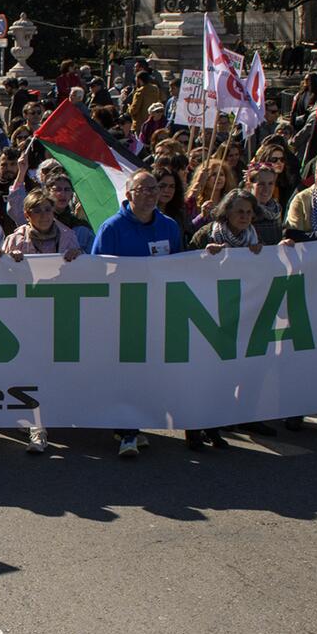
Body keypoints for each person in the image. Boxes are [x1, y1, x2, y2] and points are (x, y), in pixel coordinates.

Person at [90, 170, 190, 458]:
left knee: (148, 373)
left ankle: (132, 427)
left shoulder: (169, 227)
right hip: (122, 313)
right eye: (143, 189)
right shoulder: (111, 229)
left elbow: (180, 265)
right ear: (129, 194)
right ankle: (128, 432)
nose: (150, 193)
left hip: (158, 311)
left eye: (154, 188)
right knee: (126, 373)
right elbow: (97, 272)